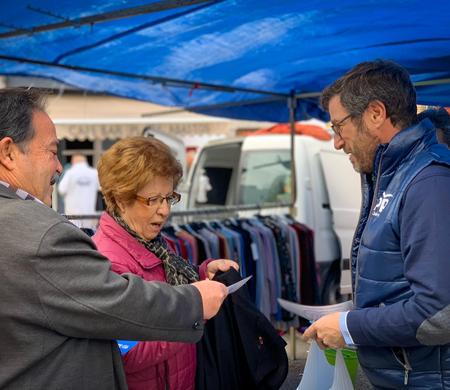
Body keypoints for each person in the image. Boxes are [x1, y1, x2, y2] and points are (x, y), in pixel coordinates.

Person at [0, 87, 228, 390]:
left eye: (168, 198)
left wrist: (199, 275)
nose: (59, 167)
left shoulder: (160, 245)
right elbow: (122, 329)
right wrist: (196, 304)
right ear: (8, 152)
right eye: (53, 152)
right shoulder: (48, 236)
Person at [303, 60, 450, 388]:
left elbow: (438, 315)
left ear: (375, 113)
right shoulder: (392, 174)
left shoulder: (428, 182)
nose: (337, 142)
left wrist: (348, 326)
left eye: (338, 127)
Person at [93, 136, 238, 390]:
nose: (164, 210)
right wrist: (195, 309)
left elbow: (168, 288)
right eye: (152, 200)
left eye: (168, 198)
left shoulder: (155, 242)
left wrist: (204, 274)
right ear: (118, 199)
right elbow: (126, 354)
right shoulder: (108, 262)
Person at [58, 153, 99, 228]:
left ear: (73, 161)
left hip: (73, 216)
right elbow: (100, 189)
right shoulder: (94, 173)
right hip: (90, 215)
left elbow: (61, 190)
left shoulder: (70, 173)